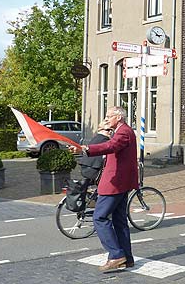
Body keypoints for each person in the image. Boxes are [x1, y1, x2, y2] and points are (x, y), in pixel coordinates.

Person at [69, 107, 138, 273]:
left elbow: (111, 147)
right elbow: (108, 145)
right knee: (120, 221)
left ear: (119, 117)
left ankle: (116, 255)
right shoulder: (122, 131)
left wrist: (85, 149)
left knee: (99, 217)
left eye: (109, 116)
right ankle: (127, 258)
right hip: (122, 183)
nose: (106, 119)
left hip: (114, 183)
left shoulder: (123, 132)